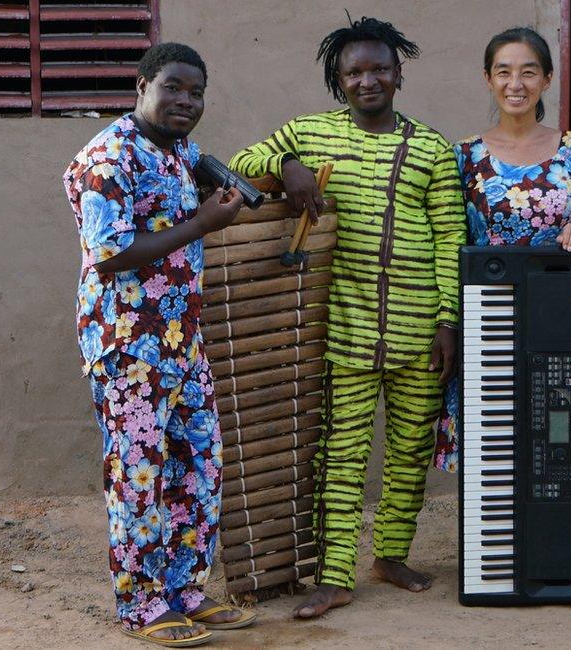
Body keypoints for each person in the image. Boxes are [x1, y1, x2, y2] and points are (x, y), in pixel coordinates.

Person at [228, 16, 466, 619]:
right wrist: (286, 166)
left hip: (419, 332)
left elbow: (449, 238)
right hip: (347, 329)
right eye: (354, 71)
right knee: (344, 454)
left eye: (379, 68)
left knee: (411, 450)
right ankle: (335, 577)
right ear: (338, 80)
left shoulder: (431, 147)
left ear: (399, 73)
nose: (368, 80)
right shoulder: (309, 133)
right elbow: (241, 159)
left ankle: (390, 555)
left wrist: (448, 323)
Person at [64, 42, 256, 646]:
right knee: (138, 473)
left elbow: (206, 165)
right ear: (141, 84)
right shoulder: (106, 157)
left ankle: (186, 592)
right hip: (126, 344)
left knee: (199, 464)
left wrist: (236, 183)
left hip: (180, 342)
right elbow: (113, 252)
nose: (186, 101)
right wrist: (204, 222)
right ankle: (142, 604)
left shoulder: (176, 150)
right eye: (173, 87)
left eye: (196, 92)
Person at [432, 27, 571, 475]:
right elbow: (451, 237)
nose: (516, 84)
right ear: (488, 79)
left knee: (560, 436)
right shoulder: (464, 157)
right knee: (493, 443)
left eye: (528, 72)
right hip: (489, 317)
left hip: (559, 311)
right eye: (504, 72)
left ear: (547, 80)